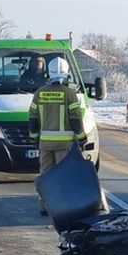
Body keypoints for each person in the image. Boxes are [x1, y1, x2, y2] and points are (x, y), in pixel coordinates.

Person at [28, 57, 86, 215]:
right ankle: (62, 205)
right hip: (65, 145)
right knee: (63, 176)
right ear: (66, 74)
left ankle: (44, 206)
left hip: (45, 144)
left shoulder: (39, 94)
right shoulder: (69, 94)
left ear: (48, 73)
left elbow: (33, 119)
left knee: (46, 175)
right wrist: (82, 138)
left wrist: (34, 138)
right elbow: (76, 119)